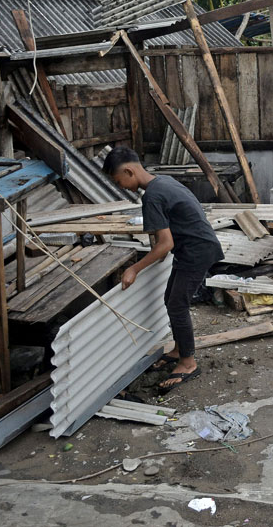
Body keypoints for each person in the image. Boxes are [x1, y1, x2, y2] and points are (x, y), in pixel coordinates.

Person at [103, 147, 224, 392]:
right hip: (194, 246)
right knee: (171, 299)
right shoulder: (163, 182)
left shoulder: (152, 196)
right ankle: (179, 349)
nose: (122, 186)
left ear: (128, 170)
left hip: (196, 251)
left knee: (178, 305)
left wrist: (134, 269)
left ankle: (188, 363)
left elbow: (165, 244)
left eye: (119, 181)